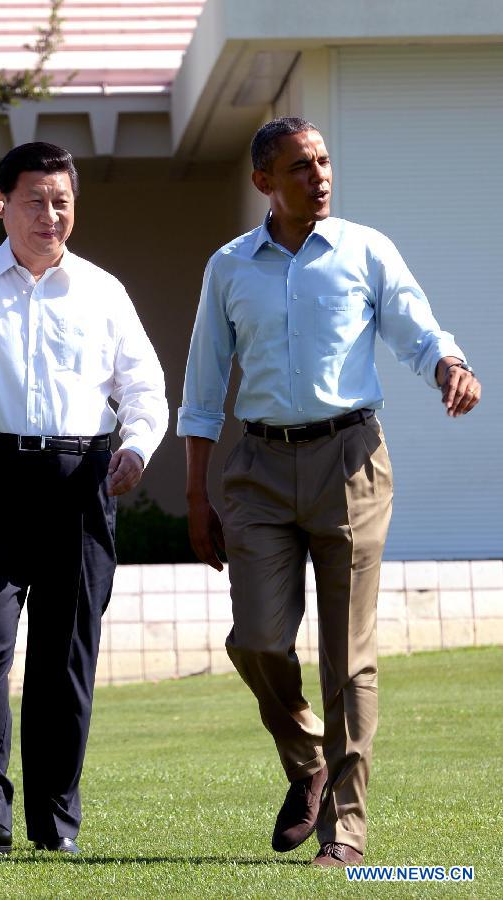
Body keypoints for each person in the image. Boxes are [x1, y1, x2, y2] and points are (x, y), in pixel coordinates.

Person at [178, 117, 481, 867]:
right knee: (255, 641)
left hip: (351, 460)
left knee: (348, 662)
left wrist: (447, 364)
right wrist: (195, 496)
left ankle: (345, 834)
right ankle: (311, 760)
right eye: (299, 167)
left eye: (323, 161)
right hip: (259, 468)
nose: (319, 176)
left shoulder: (366, 249)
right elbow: (204, 387)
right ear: (264, 185)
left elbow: (417, 325)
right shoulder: (228, 267)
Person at [0, 142, 168, 857]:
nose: (50, 215)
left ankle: (55, 823)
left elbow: (144, 388)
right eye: (35, 201)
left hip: (82, 481)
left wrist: (137, 447)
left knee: (65, 658)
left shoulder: (103, 291)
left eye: (62, 201)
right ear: (2, 206)